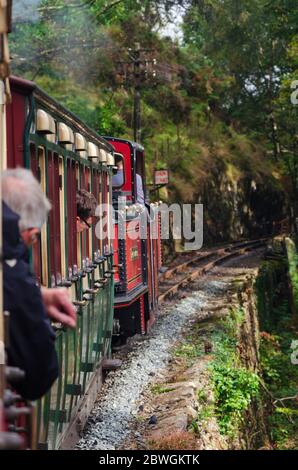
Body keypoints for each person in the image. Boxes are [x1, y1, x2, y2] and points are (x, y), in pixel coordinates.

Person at [1, 168, 76, 400]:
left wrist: (38, 294)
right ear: (31, 233)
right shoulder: (9, 268)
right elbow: (37, 375)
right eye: (34, 240)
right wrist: (30, 294)